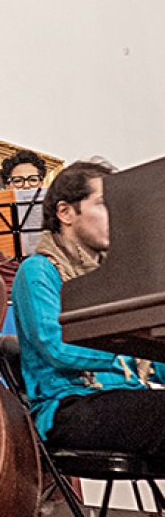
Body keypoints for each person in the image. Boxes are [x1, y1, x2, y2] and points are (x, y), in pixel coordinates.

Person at [12, 161, 165, 455]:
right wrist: (128, 350)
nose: (116, 217)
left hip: (124, 398)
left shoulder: (111, 280)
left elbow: (151, 361)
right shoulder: (38, 271)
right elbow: (56, 347)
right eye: (104, 204)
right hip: (68, 405)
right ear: (66, 212)